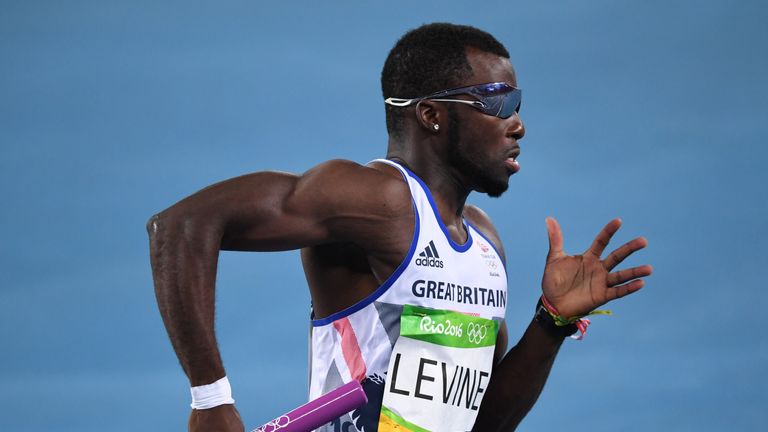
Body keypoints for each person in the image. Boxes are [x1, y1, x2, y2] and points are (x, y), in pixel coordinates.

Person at [148, 23, 652, 432]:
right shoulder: (378, 200)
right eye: (497, 102)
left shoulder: (484, 244)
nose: (516, 123)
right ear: (431, 114)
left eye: (518, 105)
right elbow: (180, 226)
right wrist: (211, 401)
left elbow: (481, 424)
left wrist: (551, 322)